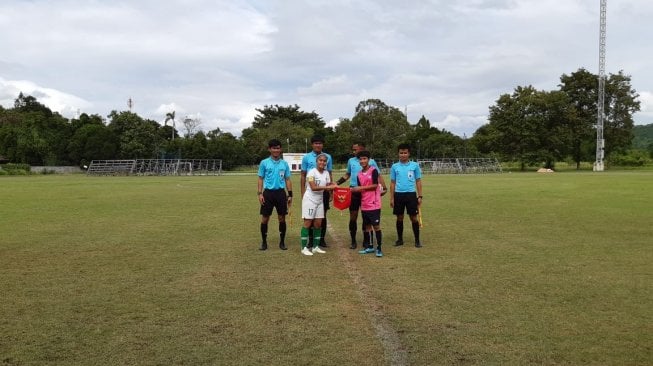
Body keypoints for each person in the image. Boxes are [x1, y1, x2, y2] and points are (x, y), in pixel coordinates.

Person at [335, 142, 387, 249]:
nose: (354, 152)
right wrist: (337, 183)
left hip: (366, 194)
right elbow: (347, 174)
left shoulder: (371, 161)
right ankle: (353, 240)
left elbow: (378, 175)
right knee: (353, 217)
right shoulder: (351, 161)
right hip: (354, 192)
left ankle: (366, 241)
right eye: (353, 150)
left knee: (366, 218)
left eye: (356, 149)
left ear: (363, 149)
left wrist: (384, 187)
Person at [257, 139, 293, 251]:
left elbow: (287, 179)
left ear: (280, 149)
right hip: (268, 193)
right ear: (269, 149)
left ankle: (282, 242)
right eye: (274, 148)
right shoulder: (264, 163)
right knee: (265, 218)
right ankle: (264, 242)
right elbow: (260, 178)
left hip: (280, 193)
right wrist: (259, 193)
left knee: (282, 218)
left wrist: (290, 194)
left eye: (278, 148)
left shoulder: (284, 163)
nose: (276, 150)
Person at [300, 135, 333, 249]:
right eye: (316, 143)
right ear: (312, 144)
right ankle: (308, 242)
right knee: (309, 219)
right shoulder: (307, 159)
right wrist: (302, 192)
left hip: (322, 193)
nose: (318, 145)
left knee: (321, 218)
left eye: (320, 143)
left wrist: (331, 191)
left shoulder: (328, 157)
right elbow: (303, 175)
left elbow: (329, 175)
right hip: (311, 192)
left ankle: (319, 242)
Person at [389, 143, 423, 248]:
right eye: (401, 153)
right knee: (399, 217)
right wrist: (391, 198)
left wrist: (420, 196)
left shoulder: (414, 165)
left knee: (413, 217)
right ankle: (400, 239)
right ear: (398, 154)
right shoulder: (394, 166)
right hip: (398, 195)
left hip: (411, 195)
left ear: (409, 154)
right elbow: (392, 183)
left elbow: (418, 181)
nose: (403, 155)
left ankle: (417, 240)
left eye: (405, 153)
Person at [352, 150, 384, 257]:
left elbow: (375, 185)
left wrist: (360, 188)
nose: (362, 161)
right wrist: (353, 191)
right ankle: (370, 247)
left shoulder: (373, 170)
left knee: (376, 226)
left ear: (368, 160)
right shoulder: (359, 174)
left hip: (374, 204)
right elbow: (361, 190)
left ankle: (379, 248)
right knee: (367, 226)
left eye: (364, 158)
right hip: (364, 204)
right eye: (360, 159)